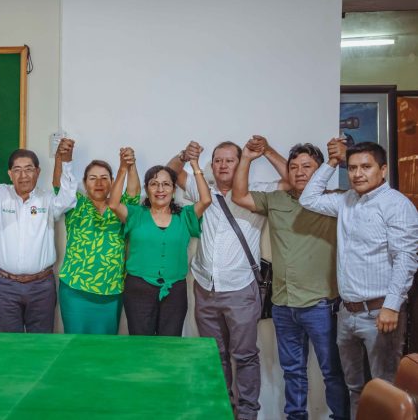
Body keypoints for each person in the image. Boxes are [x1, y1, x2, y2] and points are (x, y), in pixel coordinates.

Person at [166, 137, 287, 420]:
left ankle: (247, 415)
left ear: (240, 162)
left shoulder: (257, 194)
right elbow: (172, 172)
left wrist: (265, 151)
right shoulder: (202, 189)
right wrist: (184, 154)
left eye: (229, 160)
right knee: (214, 357)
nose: (222, 165)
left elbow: (291, 180)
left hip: (241, 290)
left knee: (245, 356)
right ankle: (220, 411)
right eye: (218, 160)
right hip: (205, 288)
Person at [300, 140, 418, 418]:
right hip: (347, 312)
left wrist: (392, 305)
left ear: (383, 169)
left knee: (385, 388)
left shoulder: (396, 205)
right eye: (351, 168)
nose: (357, 174)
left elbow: (406, 259)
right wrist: (331, 162)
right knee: (355, 387)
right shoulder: (347, 201)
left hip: (381, 312)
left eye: (366, 167)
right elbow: (308, 199)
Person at [232, 141, 348, 420]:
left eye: (307, 167)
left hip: (321, 305)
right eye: (293, 167)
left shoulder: (334, 201)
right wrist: (248, 157)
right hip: (283, 304)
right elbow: (239, 196)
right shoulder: (276, 199)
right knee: (292, 371)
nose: (299, 172)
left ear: (320, 170)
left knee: (332, 372)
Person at [0, 141, 77, 333]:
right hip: (7, 286)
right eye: (17, 170)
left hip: (42, 286)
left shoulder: (46, 199)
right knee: (8, 347)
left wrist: (67, 161)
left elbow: (68, 199)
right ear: (10, 174)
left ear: (38, 172)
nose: (23, 176)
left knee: (40, 345)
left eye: (29, 169)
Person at [108, 148, 211, 336]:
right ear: (147, 189)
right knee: (141, 343)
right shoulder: (135, 214)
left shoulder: (185, 216)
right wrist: (123, 168)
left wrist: (195, 164)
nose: (160, 189)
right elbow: (114, 204)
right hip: (138, 289)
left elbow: (205, 200)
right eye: (154, 184)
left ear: (174, 189)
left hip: (175, 290)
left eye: (166, 184)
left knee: (170, 346)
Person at [56, 148, 140, 334]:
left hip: (111, 291)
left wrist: (129, 165)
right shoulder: (75, 203)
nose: (99, 183)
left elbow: (133, 193)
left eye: (104, 178)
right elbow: (58, 184)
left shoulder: (119, 207)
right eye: (93, 178)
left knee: (105, 350)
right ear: (85, 184)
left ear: (112, 182)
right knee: (75, 347)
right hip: (74, 289)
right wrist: (60, 156)